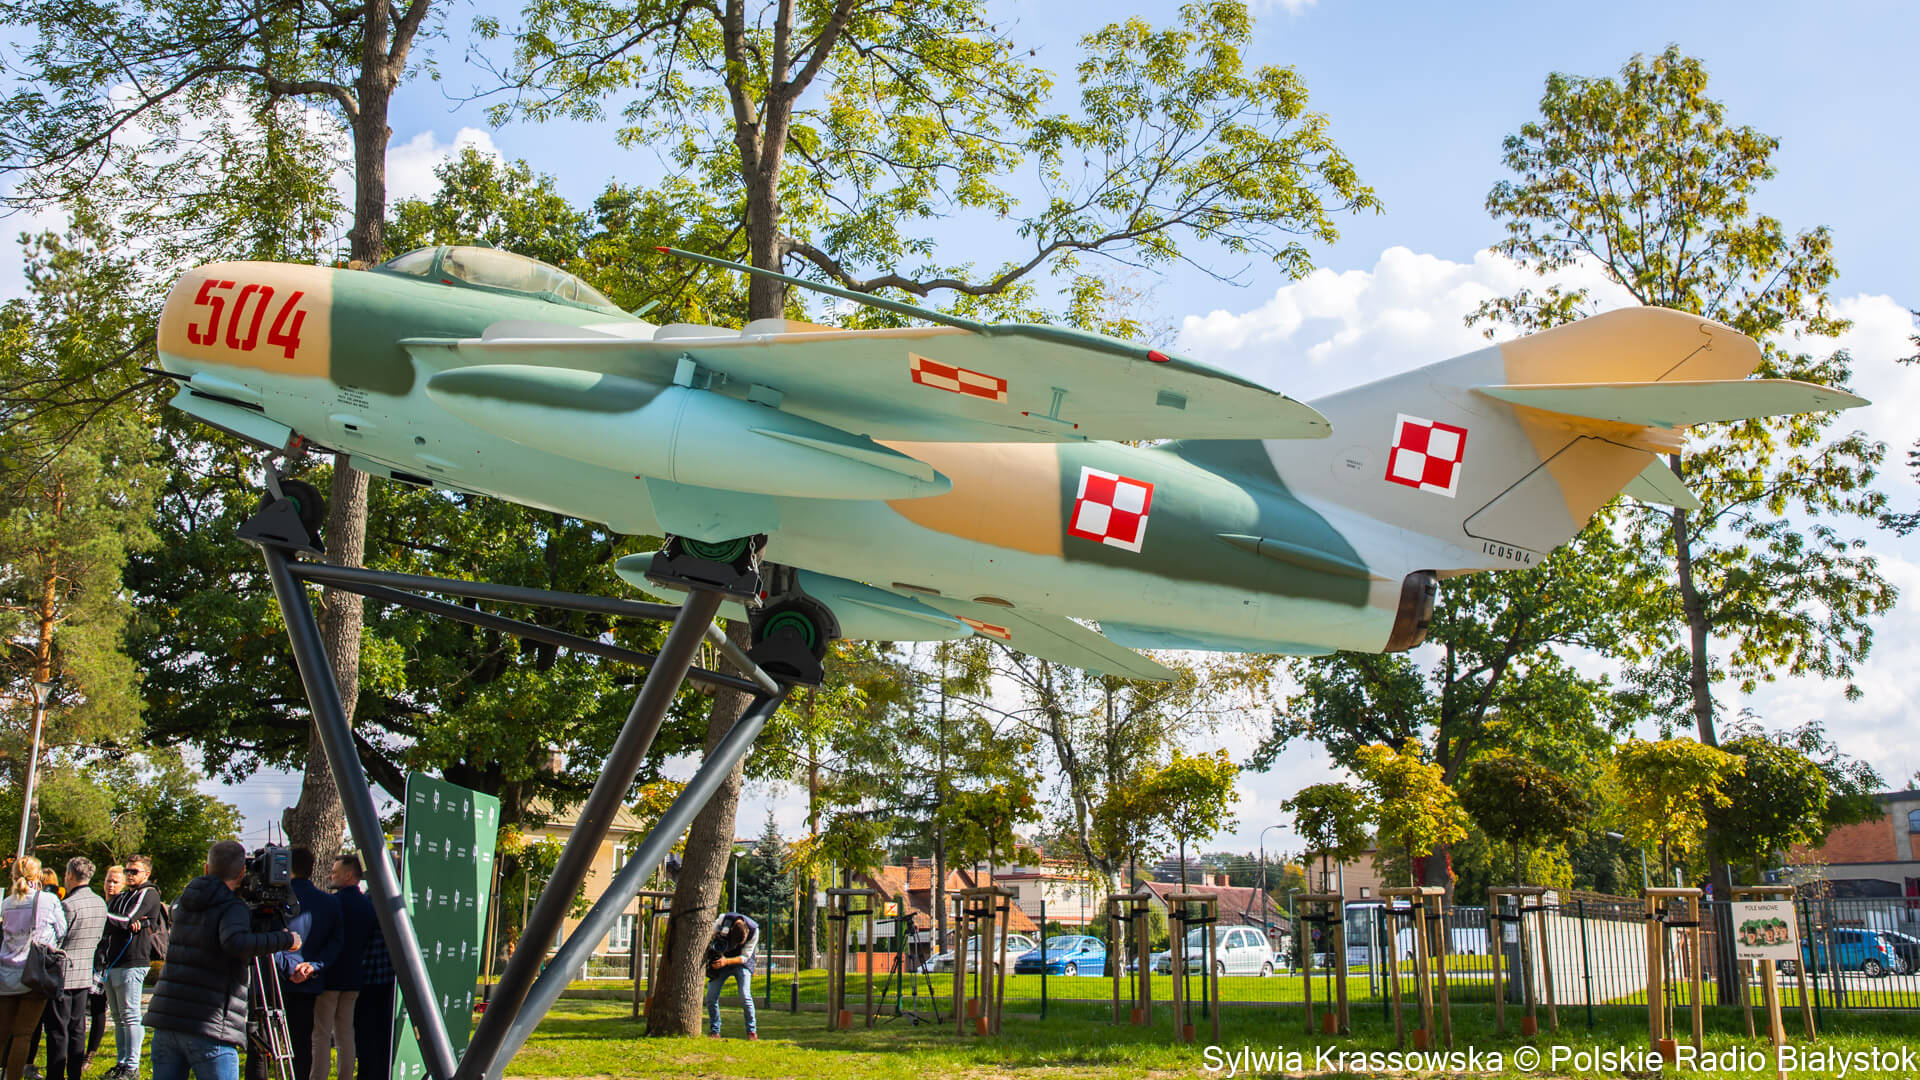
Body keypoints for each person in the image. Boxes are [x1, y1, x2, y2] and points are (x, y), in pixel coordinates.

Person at [146, 841, 300, 1080]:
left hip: (168, 1020)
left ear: (206, 868)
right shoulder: (231, 907)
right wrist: (285, 940)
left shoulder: (185, 901)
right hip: (209, 1024)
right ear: (242, 872)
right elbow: (236, 943)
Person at [0, 858, 68, 1080]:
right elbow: (62, 930)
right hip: (34, 972)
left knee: (2, 1034)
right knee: (23, 1035)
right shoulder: (48, 900)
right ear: (38, 875)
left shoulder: (6, 903)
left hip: (6, 972)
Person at [274, 850, 338, 1080]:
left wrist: (288, 967)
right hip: (308, 981)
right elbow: (336, 942)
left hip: (275, 980)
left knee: (262, 1041)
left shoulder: (276, 900)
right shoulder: (329, 902)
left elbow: (267, 937)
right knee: (301, 1042)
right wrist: (313, 966)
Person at [100, 855, 163, 1080]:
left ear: (146, 873)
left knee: (130, 1014)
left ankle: (132, 1065)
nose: (129, 875)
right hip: (114, 961)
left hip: (133, 960)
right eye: (127, 871)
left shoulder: (148, 893)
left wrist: (104, 914)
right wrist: (119, 920)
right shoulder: (122, 896)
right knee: (117, 1016)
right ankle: (121, 1062)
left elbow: (126, 919)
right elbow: (118, 923)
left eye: (134, 871)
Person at [312, 857, 371, 1080]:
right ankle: (346, 1076)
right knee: (345, 1031)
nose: (331, 875)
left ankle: (318, 1076)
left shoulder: (332, 903)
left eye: (335, 872)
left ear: (348, 875)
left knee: (321, 1032)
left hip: (330, 976)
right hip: (354, 976)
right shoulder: (367, 905)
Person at [44, 860, 104, 1080]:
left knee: (57, 1030)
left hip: (63, 973)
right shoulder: (100, 903)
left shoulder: (68, 905)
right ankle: (74, 1073)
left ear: (70, 875)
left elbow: (58, 938)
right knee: (78, 1027)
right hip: (84, 972)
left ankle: (55, 1074)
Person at [83, 867, 122, 1070]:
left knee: (99, 1007)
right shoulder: (99, 903)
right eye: (109, 881)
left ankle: (90, 1054)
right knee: (81, 1007)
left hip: (107, 962)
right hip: (89, 958)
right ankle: (76, 1051)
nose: (111, 885)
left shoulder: (121, 906)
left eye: (115, 882)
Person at [702, 913, 758, 1041]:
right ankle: (715, 1030)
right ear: (731, 929)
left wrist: (726, 961)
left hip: (742, 964)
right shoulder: (723, 919)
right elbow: (710, 933)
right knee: (711, 996)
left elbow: (745, 957)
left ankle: (751, 1031)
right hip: (721, 959)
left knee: (745, 995)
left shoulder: (754, 930)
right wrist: (715, 938)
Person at [350, 922, 391, 1080]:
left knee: (367, 1040)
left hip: (368, 982)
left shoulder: (370, 908)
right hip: (385, 981)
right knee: (380, 1040)